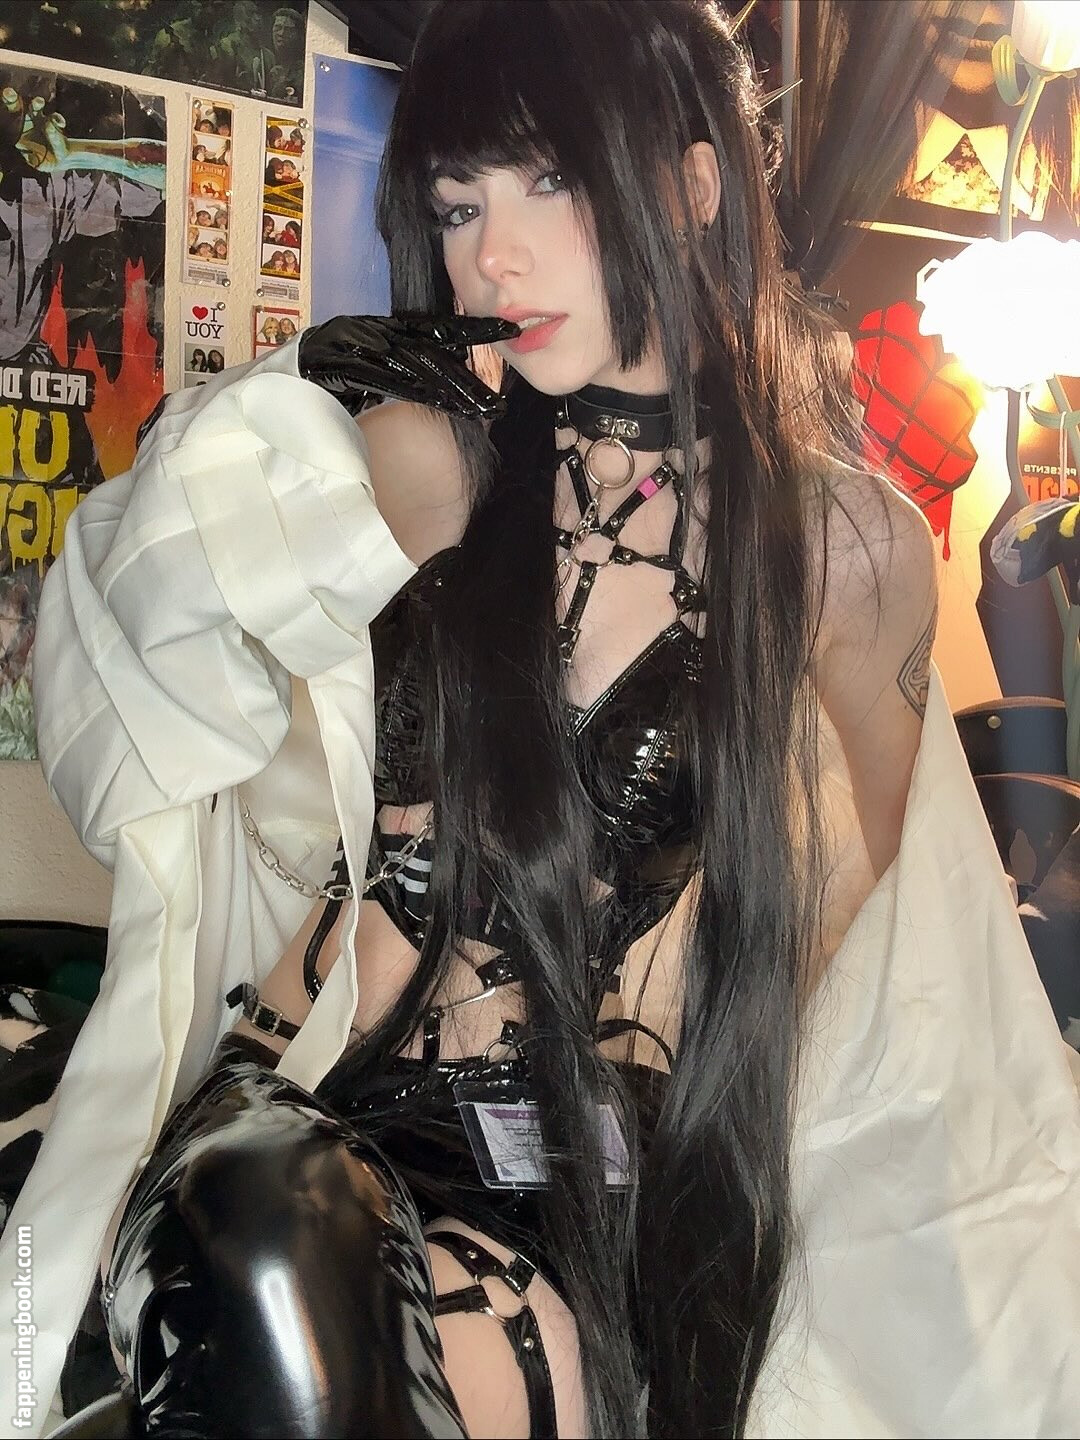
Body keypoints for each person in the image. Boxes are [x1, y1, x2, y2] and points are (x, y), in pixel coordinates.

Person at [4, 3, 1080, 1438]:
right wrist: (283, 400)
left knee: (379, 1341)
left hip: (579, 1186)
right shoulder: (426, 458)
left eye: (548, 182)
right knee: (263, 1246)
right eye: (458, 205)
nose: (491, 256)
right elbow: (128, 637)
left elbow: (877, 966)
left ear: (694, 184)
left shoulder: (844, 550)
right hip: (307, 1100)